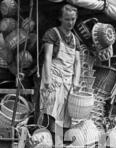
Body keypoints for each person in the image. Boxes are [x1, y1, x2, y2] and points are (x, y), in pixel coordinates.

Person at [40, 3, 81, 140]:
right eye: (67, 19)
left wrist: (76, 82)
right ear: (60, 19)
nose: (70, 22)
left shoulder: (75, 40)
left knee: (66, 115)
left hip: (68, 81)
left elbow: (77, 63)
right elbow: (47, 57)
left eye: (73, 19)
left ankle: (62, 143)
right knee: (52, 112)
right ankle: (52, 143)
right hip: (54, 78)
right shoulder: (53, 33)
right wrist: (47, 79)